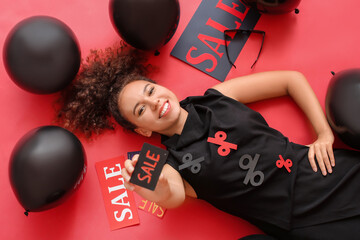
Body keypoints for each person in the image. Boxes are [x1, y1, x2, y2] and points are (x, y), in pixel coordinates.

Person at [56, 44, 360, 240]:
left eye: (149, 91)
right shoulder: (164, 163)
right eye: (141, 110)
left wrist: (323, 134)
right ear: (143, 131)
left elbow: (290, 80)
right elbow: (171, 194)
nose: (154, 103)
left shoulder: (218, 96)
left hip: (328, 173)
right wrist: (154, 188)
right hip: (301, 223)